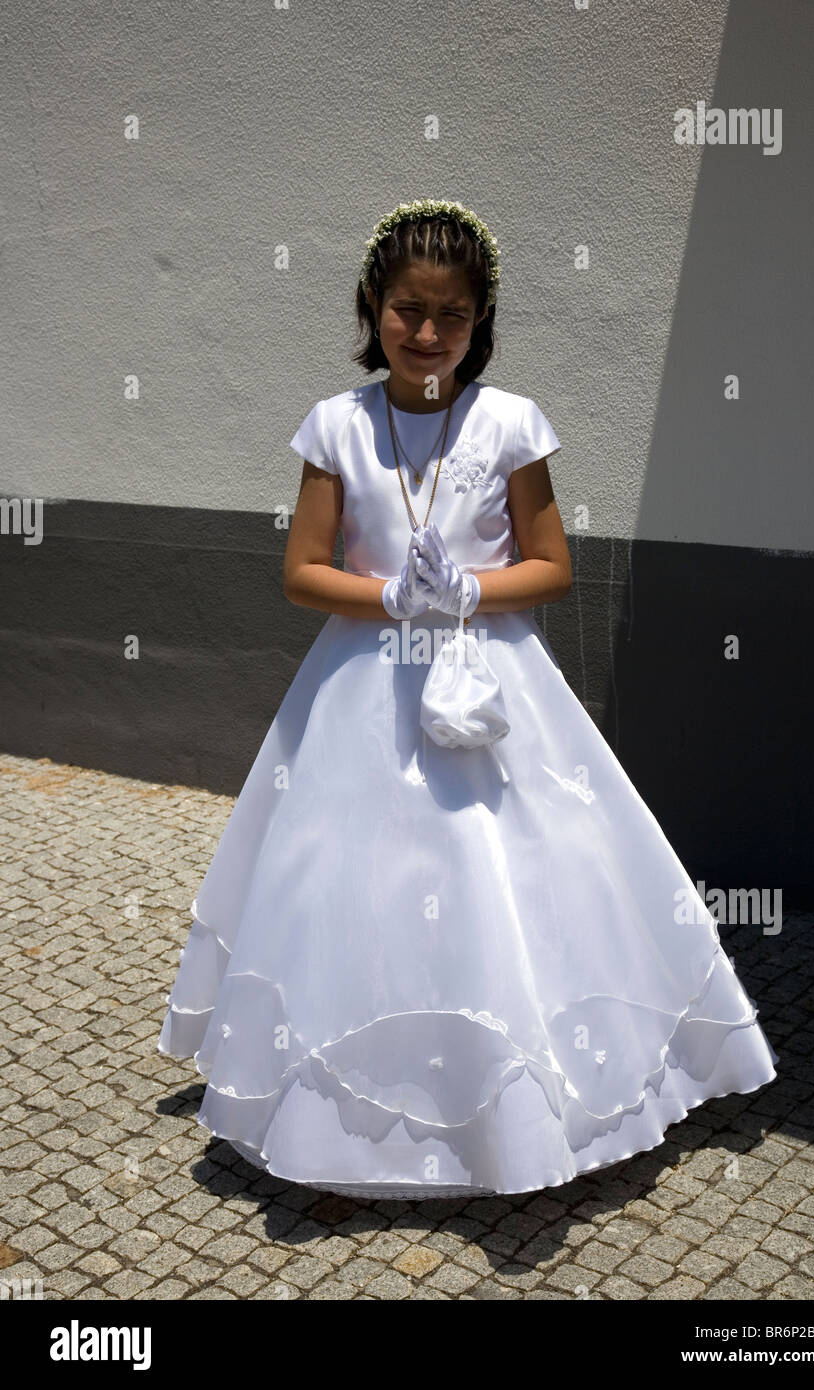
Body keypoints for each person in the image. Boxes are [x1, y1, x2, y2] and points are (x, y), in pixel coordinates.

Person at [158, 199, 778, 1201]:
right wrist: (392, 596)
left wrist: (472, 592)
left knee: (516, 873)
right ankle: (340, 1118)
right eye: (406, 309)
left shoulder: (509, 422)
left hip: (494, 686)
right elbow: (301, 571)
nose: (425, 333)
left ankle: (523, 1106)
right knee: (345, 882)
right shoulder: (336, 427)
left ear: (478, 317)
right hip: (362, 685)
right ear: (372, 305)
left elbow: (553, 566)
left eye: (449, 315)